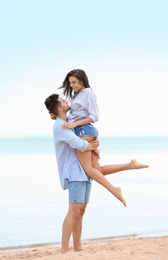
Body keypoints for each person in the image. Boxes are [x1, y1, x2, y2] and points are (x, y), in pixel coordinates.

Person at [45, 93, 148, 252]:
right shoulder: (59, 126)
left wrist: (94, 143)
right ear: (59, 108)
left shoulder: (69, 121)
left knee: (81, 210)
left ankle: (77, 247)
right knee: (73, 211)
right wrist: (93, 144)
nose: (67, 101)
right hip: (74, 172)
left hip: (82, 170)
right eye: (64, 101)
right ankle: (64, 249)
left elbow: (84, 139)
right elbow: (79, 144)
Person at [57, 69, 149, 207]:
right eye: (70, 83)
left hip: (84, 131)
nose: (72, 85)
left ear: (82, 80)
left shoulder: (89, 94)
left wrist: (74, 123)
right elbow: (72, 112)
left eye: (74, 82)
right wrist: (57, 115)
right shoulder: (77, 95)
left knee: (88, 170)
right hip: (85, 131)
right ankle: (131, 165)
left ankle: (114, 190)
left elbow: (94, 116)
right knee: (97, 171)